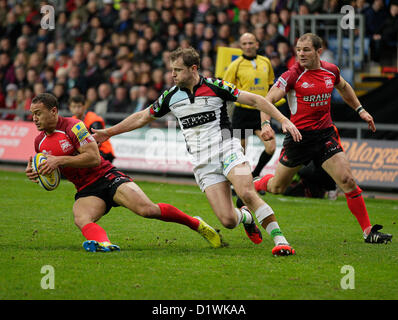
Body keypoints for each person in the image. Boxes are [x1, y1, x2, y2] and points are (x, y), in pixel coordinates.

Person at [93, 47, 303, 256]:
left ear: (193, 69)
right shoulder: (170, 97)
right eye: (171, 69)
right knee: (228, 221)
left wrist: (283, 120)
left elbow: (256, 100)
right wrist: (108, 133)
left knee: (246, 192)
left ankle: (280, 240)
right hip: (203, 162)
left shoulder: (216, 86)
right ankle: (247, 217)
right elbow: (141, 117)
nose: (172, 74)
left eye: (177, 69)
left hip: (228, 149)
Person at [25, 93, 223, 253]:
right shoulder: (39, 142)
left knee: (148, 210)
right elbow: (53, 177)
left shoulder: (74, 127)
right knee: (81, 218)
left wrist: (59, 160)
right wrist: (38, 172)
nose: (34, 119)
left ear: (53, 111)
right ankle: (104, 244)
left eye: (38, 113)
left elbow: (93, 158)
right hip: (87, 189)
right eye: (33, 114)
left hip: (107, 177)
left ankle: (196, 224)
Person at [252, 33, 392, 244]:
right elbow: (268, 100)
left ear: (319, 51)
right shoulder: (292, 75)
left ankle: (368, 231)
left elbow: (343, 87)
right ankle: (254, 185)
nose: (301, 54)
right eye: (298, 49)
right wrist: (265, 124)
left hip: (325, 135)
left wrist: (360, 110)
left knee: (347, 181)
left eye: (306, 50)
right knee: (277, 188)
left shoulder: (331, 70)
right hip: (299, 139)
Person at [223, 33, 276, 180]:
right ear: (240, 46)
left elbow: (271, 85)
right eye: (244, 43)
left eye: (250, 43)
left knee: (271, 147)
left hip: (261, 113)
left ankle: (255, 174)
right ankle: (239, 183)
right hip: (242, 113)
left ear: (257, 45)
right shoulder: (235, 65)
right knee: (240, 152)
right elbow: (226, 89)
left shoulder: (266, 62)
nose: (248, 46)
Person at [69, 94, 116, 163]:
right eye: (74, 107)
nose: (76, 109)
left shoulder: (93, 119)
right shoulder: (71, 121)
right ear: (70, 108)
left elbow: (96, 141)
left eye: (79, 106)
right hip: (89, 152)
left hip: (104, 151)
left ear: (84, 107)